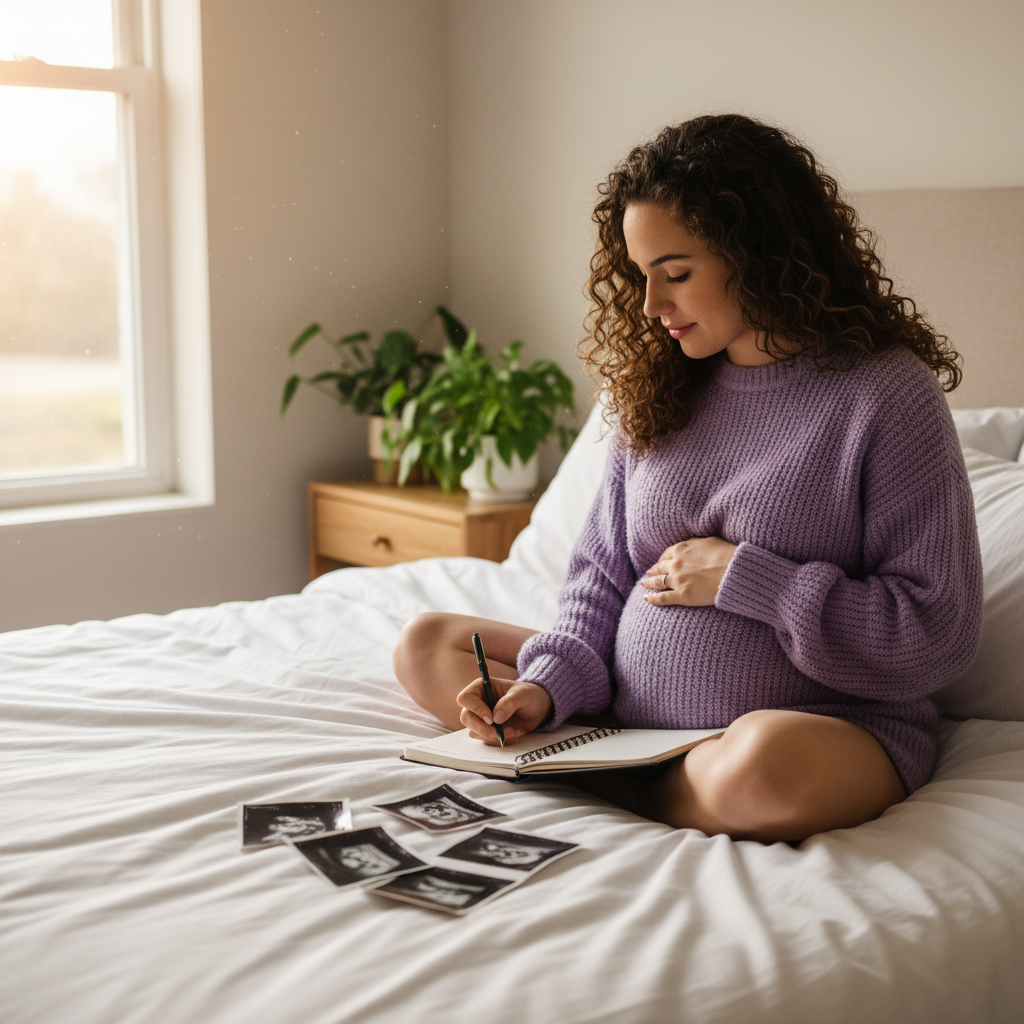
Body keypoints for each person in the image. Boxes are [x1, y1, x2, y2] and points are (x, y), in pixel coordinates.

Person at [392, 114, 983, 844]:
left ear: (759, 253)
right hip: (629, 717)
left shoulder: (886, 396)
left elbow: (934, 633)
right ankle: (603, 760)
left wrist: (750, 579)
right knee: (427, 643)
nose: (651, 305)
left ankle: (597, 779)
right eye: (640, 277)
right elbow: (599, 581)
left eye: (675, 275)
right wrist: (546, 687)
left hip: (822, 725)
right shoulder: (660, 389)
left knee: (763, 769)